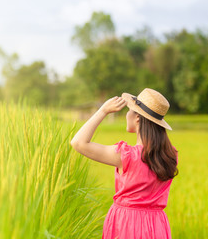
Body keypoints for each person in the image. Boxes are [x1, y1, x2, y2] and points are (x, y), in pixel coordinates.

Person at [70, 88, 179, 239]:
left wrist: (103, 111)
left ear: (138, 118)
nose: (127, 114)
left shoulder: (127, 156)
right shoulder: (170, 155)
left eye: (129, 110)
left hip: (126, 224)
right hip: (157, 224)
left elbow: (78, 142)